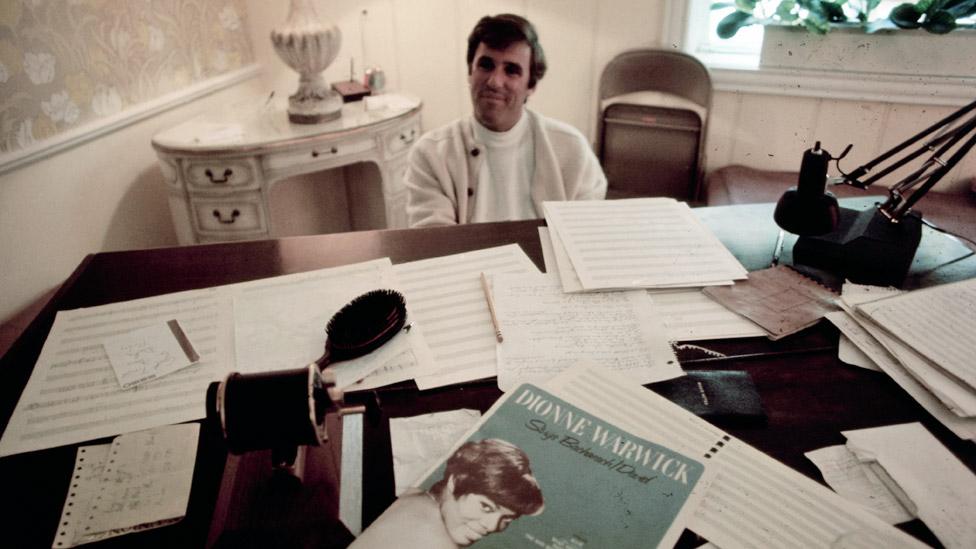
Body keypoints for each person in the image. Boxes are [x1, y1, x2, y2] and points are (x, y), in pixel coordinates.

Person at [405, 14, 607, 227]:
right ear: (470, 73)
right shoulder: (430, 154)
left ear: (531, 85)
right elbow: (435, 244)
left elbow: (585, 236)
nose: (495, 81)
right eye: (486, 65)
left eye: (511, 70)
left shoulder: (572, 149)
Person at [349, 438, 545, 548]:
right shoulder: (430, 537)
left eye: (507, 519)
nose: (492, 526)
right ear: (455, 481)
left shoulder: (422, 504)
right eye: (486, 506)